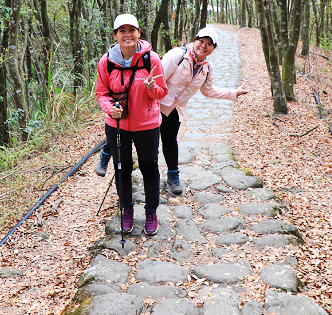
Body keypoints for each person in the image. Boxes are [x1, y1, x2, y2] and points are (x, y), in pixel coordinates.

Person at [96, 14, 168, 236]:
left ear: (138, 33)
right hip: (117, 125)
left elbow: (162, 92)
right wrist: (110, 108)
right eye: (122, 30)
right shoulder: (106, 62)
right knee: (122, 168)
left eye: (131, 30)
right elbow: (102, 93)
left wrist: (150, 88)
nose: (127, 34)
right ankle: (126, 209)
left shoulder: (151, 59)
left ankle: (151, 212)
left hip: (147, 124)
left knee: (149, 167)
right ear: (115, 35)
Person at [159, 26, 248, 195]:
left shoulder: (207, 68)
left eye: (209, 44)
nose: (204, 46)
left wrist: (233, 93)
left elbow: (208, 91)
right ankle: (151, 177)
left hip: (175, 111)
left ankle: (173, 177)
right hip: (156, 106)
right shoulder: (177, 55)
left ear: (213, 48)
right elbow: (157, 78)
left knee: (170, 142)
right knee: (149, 144)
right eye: (201, 41)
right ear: (194, 40)